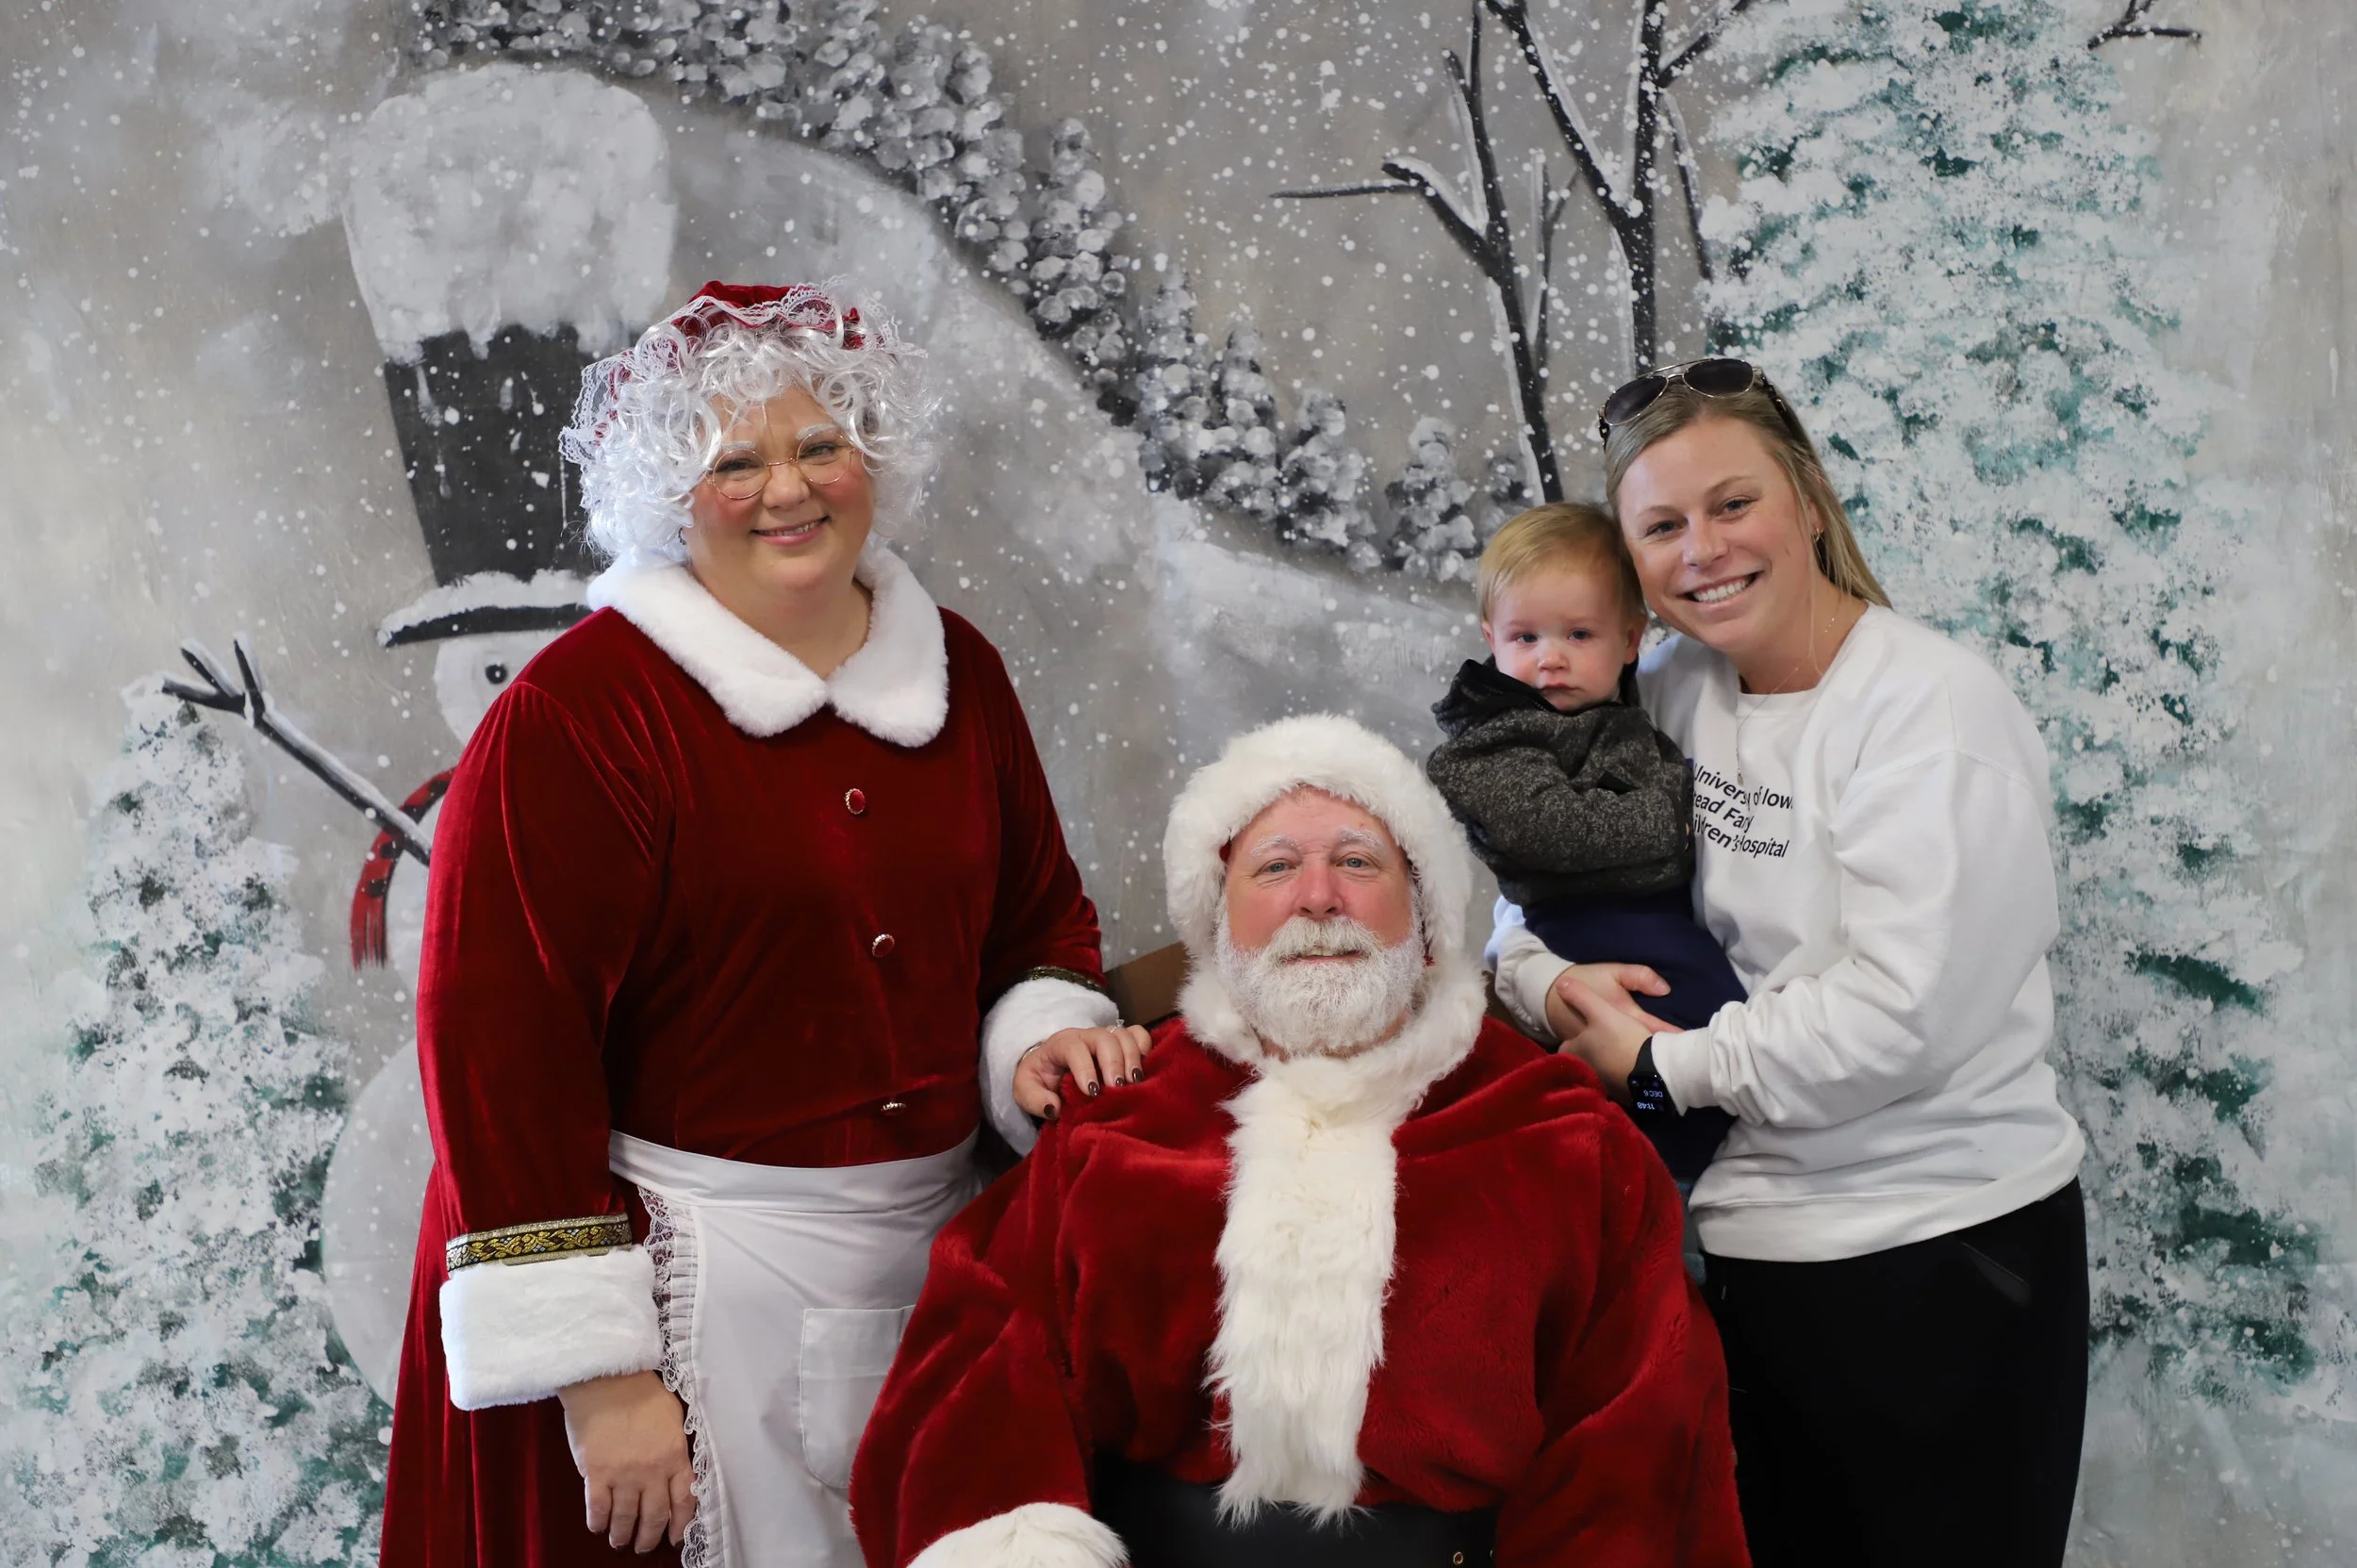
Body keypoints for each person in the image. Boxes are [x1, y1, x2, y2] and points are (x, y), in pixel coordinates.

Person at [377, 281, 1152, 1568]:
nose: (786, 490)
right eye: (734, 461)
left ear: (873, 458)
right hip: (681, 1287)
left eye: (819, 446)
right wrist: (604, 1377)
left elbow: (1033, 923)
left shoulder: (962, 670)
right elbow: (501, 1050)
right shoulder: (580, 714)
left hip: (934, 1274)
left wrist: (1036, 1038)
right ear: (668, 493)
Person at [850, 714, 1748, 1568]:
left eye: (1357, 861)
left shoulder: (1565, 1139)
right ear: (1218, 923)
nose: (1319, 897)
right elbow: (978, 1369)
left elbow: (1642, 1431)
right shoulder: (1115, 1126)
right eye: (1276, 866)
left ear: (1427, 923)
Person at [1489, 357, 2089, 1568]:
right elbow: (1522, 882)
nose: (1702, 549)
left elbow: (1899, 1017)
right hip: (1741, 1260)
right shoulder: (1665, 688)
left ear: (1807, 500)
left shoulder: (1930, 713)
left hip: (1936, 1253)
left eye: (1732, 504)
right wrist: (1542, 983)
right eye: (1662, 525)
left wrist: (1662, 1065)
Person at [1426, 501, 1741, 1183]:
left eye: (1578, 634)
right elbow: (1549, 830)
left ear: (1629, 640)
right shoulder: (1494, 740)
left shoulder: (1621, 706)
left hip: (1650, 914)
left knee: (1708, 1012)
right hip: (1584, 920)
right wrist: (1670, 815)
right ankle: (1644, 1155)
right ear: (1491, 638)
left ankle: (1654, 1150)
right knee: (1688, 1016)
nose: (1551, 659)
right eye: (1525, 637)